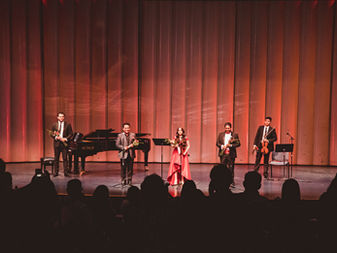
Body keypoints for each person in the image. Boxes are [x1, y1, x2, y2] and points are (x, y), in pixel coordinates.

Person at [216, 122, 240, 187]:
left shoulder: (234, 135)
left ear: (230, 128)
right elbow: (217, 143)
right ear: (224, 128)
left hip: (231, 154)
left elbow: (238, 144)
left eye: (228, 128)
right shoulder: (221, 134)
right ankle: (222, 181)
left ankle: (231, 181)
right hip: (223, 154)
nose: (227, 129)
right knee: (222, 168)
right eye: (226, 128)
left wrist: (231, 145)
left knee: (231, 168)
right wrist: (222, 146)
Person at [50, 112, 73, 177]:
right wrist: (55, 137)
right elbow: (52, 133)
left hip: (64, 144)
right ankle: (56, 172)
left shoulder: (68, 124)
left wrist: (65, 139)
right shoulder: (54, 125)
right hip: (57, 143)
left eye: (62, 116)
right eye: (60, 116)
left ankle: (66, 172)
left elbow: (71, 134)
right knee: (56, 158)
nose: (61, 118)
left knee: (65, 158)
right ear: (57, 117)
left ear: (64, 117)